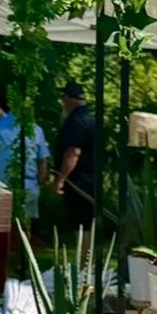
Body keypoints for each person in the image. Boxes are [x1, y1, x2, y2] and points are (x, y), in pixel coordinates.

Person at [0, 100, 50, 224]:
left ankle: (23, 243)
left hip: (29, 187)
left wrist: (39, 182)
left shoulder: (36, 130)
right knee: (0, 224)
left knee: (24, 225)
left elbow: (42, 160)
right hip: (2, 186)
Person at [53, 80, 97, 231]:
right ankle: (86, 253)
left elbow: (74, 152)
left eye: (64, 99)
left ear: (70, 100)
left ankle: (83, 254)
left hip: (78, 182)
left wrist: (60, 179)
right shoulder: (91, 118)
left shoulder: (76, 121)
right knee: (86, 224)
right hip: (91, 179)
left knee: (81, 225)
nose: (63, 103)